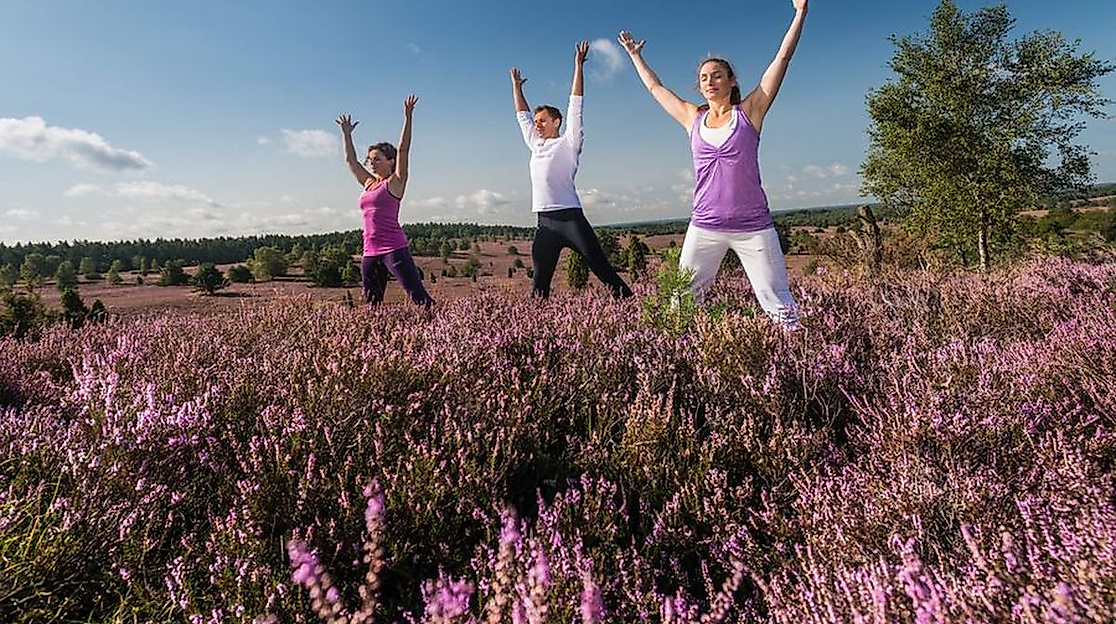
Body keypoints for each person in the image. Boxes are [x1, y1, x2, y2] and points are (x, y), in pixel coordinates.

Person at [618, 0, 808, 327]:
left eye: (717, 75)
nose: (709, 81)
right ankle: (681, 362)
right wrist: (636, 56)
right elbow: (655, 88)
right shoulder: (693, 118)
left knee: (777, 301)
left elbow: (782, 58)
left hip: (753, 227)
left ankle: (801, 363)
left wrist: (800, 12)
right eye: (704, 77)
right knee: (682, 301)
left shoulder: (750, 112)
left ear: (731, 81)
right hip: (704, 226)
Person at [511, 41, 633, 300]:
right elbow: (521, 115)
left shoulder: (568, 143)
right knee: (539, 283)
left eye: (542, 121)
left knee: (603, 270)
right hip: (545, 223)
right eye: (536, 122)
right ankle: (536, 331)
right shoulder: (535, 144)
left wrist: (578, 66)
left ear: (557, 122)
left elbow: (575, 105)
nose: (537, 125)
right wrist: (516, 88)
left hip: (571, 220)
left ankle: (632, 306)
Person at [336, 95, 434, 308]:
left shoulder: (395, 182)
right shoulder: (369, 183)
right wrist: (346, 134)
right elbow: (350, 161)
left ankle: (442, 332)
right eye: (370, 160)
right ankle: (377, 338)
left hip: (394, 248)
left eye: (377, 159)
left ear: (390, 161)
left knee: (418, 297)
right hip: (370, 250)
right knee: (372, 304)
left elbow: (404, 149)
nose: (371, 163)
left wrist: (408, 117)